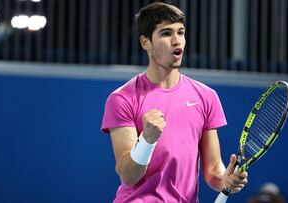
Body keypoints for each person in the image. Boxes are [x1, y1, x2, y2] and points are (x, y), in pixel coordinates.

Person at [101, 2, 248, 202]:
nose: (176, 40)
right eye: (166, 33)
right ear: (145, 43)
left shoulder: (206, 96)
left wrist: (225, 180)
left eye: (180, 32)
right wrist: (146, 142)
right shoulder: (122, 99)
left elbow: (213, 169)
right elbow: (129, 176)